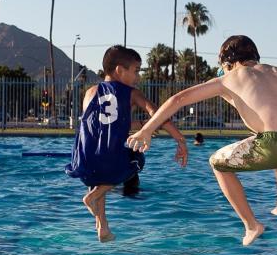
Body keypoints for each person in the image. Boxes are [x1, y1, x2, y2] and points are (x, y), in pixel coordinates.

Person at [127, 35, 277, 246]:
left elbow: (178, 99)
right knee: (274, 140)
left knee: (217, 163)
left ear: (226, 62)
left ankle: (251, 225)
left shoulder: (227, 79)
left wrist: (146, 130)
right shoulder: (275, 71)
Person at [67, 45, 188, 242]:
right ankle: (92, 198)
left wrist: (138, 125)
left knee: (100, 176)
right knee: (136, 160)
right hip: (109, 157)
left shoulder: (90, 92)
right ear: (120, 71)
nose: (138, 77)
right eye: (136, 71)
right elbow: (157, 113)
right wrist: (179, 139)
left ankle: (102, 226)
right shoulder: (131, 92)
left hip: (84, 157)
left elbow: (100, 123)